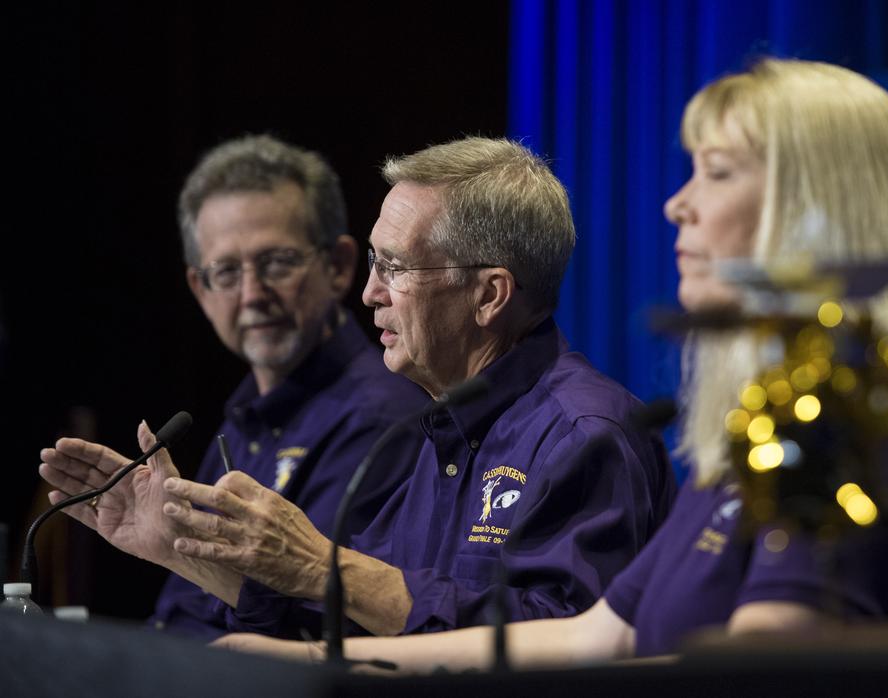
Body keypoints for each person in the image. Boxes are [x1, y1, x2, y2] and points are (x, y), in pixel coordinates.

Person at [217, 58, 888, 670]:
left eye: (715, 173)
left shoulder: (860, 416)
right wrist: (290, 665)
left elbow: (757, 673)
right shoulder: (771, 425)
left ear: (817, 211)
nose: (675, 203)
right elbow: (596, 638)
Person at [39, 137, 675, 638]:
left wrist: (326, 566)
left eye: (394, 267)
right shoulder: (442, 427)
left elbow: (564, 646)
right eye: (375, 263)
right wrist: (176, 548)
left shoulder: (585, 435)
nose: (369, 293)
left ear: (488, 295)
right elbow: (344, 611)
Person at [39, 135, 428, 640]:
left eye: (276, 263)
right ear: (199, 288)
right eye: (226, 271)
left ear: (338, 267)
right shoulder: (246, 412)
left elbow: (326, 635)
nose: (251, 295)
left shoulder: (383, 419)